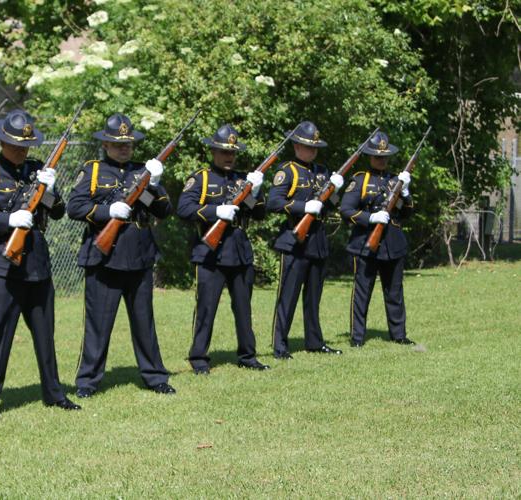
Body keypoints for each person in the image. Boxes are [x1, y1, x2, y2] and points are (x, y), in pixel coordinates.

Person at [0, 109, 81, 420]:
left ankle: (54, 393)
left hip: (36, 263)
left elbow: (57, 212)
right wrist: (6, 219)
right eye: (16, 145)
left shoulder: (37, 170)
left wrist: (51, 192)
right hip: (1, 261)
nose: (21, 150)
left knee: (45, 333)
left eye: (26, 145)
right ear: (2, 141)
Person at [67, 113, 175, 397]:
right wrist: (107, 211)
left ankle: (155, 376)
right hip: (104, 256)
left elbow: (163, 210)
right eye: (117, 144)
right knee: (98, 324)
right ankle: (87, 381)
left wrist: (153, 185)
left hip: (138, 254)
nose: (124, 148)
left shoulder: (144, 172)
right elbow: (75, 207)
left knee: (144, 323)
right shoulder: (91, 171)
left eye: (128, 143)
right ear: (105, 144)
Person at [176, 124, 270, 374]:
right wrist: (215, 211)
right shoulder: (201, 178)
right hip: (210, 254)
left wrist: (257, 192)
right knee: (206, 308)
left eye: (232, 152)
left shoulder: (243, 179)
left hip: (239, 252)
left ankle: (248, 355)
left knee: (243, 308)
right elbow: (184, 208)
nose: (229, 156)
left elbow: (259, 213)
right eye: (223, 151)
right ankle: (199, 358)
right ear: (213, 151)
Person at [266, 121, 344, 359]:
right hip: (294, 240)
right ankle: (280, 345)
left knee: (313, 297)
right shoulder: (287, 170)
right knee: (288, 296)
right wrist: (303, 206)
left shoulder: (322, 171)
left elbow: (331, 206)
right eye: (307, 147)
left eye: (314, 148)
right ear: (297, 146)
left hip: (317, 241)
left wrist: (335, 191)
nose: (311, 151)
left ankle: (314, 341)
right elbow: (273, 202)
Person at [339, 131, 415, 347]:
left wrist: (406, 192)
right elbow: (346, 209)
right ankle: (357, 337)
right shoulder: (360, 180)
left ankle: (399, 334)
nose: (381, 160)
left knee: (395, 292)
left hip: (393, 244)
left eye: (384, 156)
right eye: (377, 156)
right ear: (370, 156)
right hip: (366, 243)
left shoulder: (396, 181)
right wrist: (370, 217)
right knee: (362, 293)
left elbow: (408, 212)